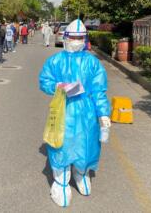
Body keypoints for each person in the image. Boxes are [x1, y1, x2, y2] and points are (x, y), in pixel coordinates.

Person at [39, 19, 111, 207]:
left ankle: (81, 173)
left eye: (81, 37)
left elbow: (99, 90)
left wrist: (103, 113)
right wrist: (59, 87)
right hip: (62, 109)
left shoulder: (92, 63)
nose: (77, 41)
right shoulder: (55, 60)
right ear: (66, 37)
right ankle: (61, 182)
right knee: (61, 145)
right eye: (74, 37)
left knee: (86, 144)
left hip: (86, 112)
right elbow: (44, 81)